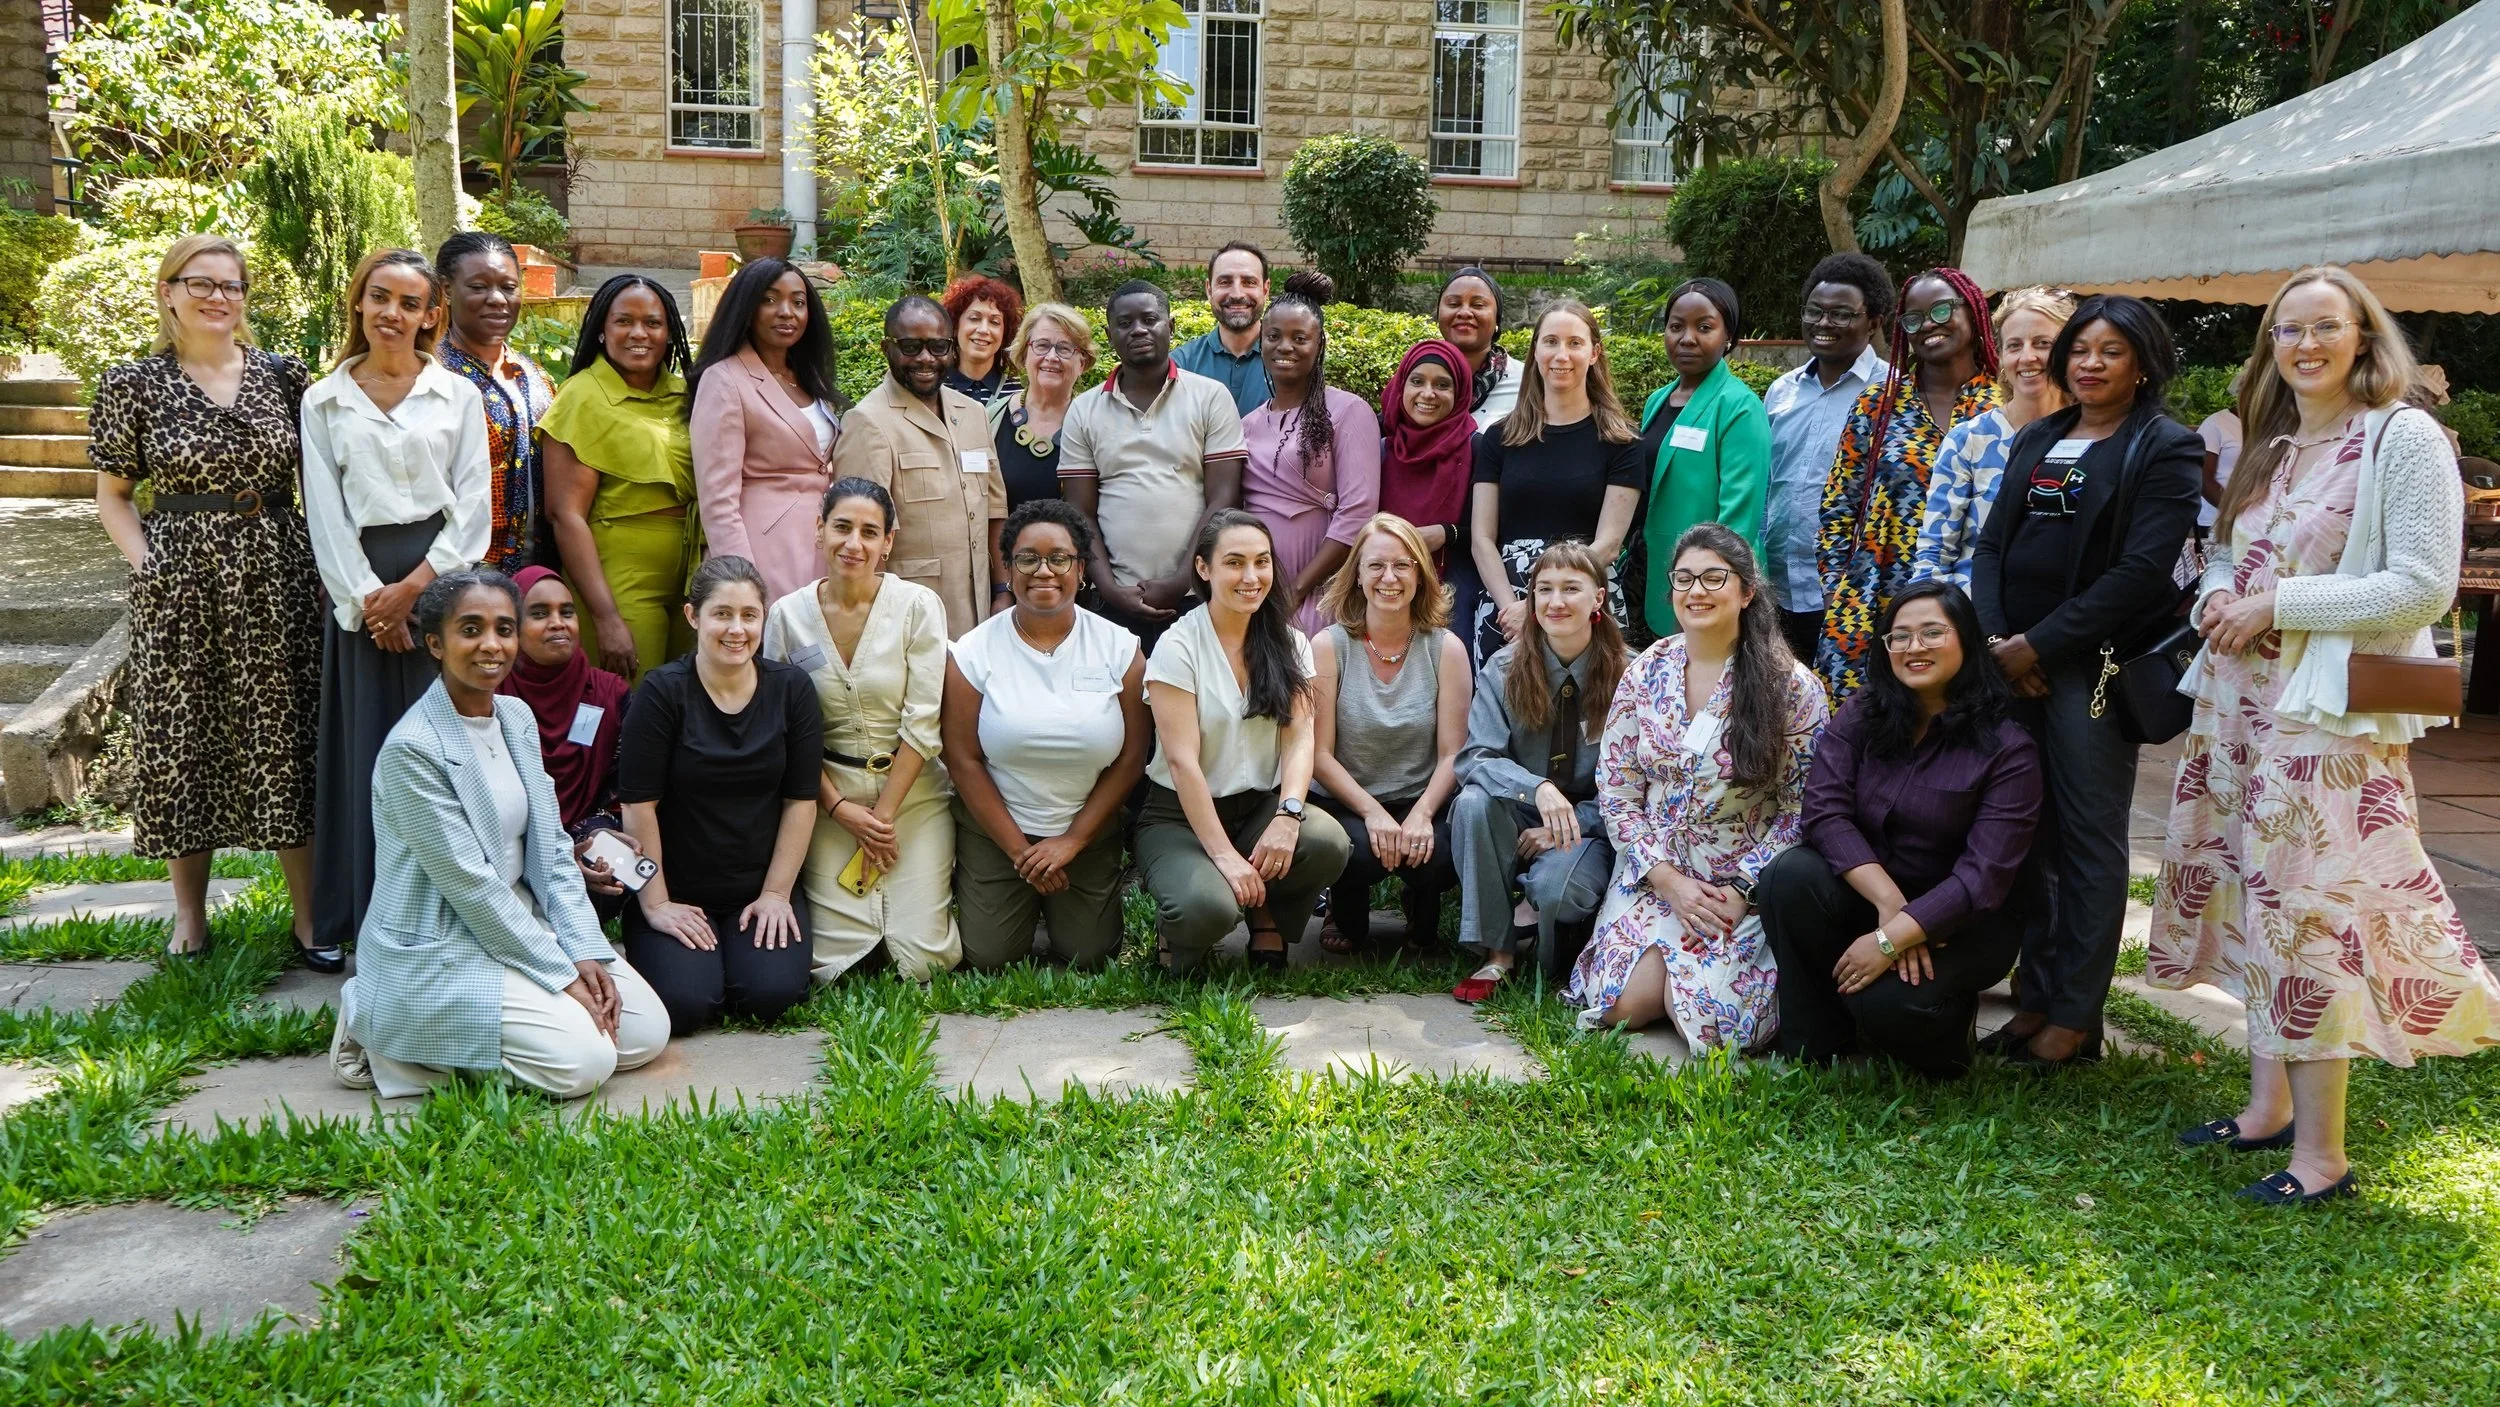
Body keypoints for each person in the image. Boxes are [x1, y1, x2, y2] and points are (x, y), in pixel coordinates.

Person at [2151, 266, 2500, 1205]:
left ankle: (2323, 1158)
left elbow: (2422, 584)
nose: (2304, 346)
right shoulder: (2274, 444)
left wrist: (2276, 601)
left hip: (2327, 712)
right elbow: (2226, 547)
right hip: (2239, 703)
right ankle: (2266, 1108)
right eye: (2286, 330)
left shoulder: (2402, 436)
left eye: (2325, 328)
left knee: (2310, 914)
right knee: (2257, 898)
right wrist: (2223, 589)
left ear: (2363, 336)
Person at [1970, 294, 2203, 1068]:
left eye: (2111, 351)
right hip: (2016, 668)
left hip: (2092, 672)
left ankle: (2076, 1016)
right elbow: (1993, 546)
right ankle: (2035, 998)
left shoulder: (2167, 446)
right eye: (2081, 350)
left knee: (2089, 842)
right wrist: (2003, 642)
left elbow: (2142, 572)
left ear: (2144, 363)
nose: (2091, 363)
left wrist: (2039, 646)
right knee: (2028, 837)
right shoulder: (2039, 435)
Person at [330, 569, 668, 1100]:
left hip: (523, 918)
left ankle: (474, 1030)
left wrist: (582, 948)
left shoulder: (515, 717)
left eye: (504, 628)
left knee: (647, 1033)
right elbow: (472, 889)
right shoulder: (412, 750)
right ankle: (386, 1034)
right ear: (436, 643)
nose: (492, 645)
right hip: (448, 940)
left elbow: (554, 850)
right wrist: (562, 973)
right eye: (471, 629)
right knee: (586, 1063)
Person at [88, 234, 324, 964]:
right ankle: (189, 915)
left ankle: (309, 916)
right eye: (202, 283)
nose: (219, 296)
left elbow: (320, 481)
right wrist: (151, 564)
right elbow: (115, 498)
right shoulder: (132, 383)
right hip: (180, 580)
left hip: (278, 573)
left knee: (283, 737)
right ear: (168, 291)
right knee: (181, 739)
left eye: (232, 285)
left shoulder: (286, 376)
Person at [1757, 580, 2040, 1078]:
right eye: (1900, 636)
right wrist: (1890, 907)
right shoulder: (1865, 711)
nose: (1914, 648)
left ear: (1967, 641)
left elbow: (1982, 878)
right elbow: (1824, 810)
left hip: (1963, 922)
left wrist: (1894, 940)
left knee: (1892, 1007)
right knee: (1790, 875)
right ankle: (1814, 1043)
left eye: (1932, 633)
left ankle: (1945, 1026)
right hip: (1876, 895)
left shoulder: (2008, 748)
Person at [1565, 525, 1827, 1049]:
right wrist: (1666, 879)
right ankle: (1660, 961)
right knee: (1619, 1006)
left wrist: (1741, 891)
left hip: (1732, 886)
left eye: (1714, 578)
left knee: (1713, 1026)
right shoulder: (1646, 671)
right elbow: (1617, 791)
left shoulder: (1792, 687)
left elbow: (1803, 810)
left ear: (1747, 591)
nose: (1696, 591)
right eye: (1684, 579)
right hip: (1653, 874)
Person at [301, 248, 489, 961]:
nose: (393, 314)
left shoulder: (456, 397)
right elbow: (324, 512)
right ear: (358, 302)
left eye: (410, 303)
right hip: (361, 593)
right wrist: (368, 603)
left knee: (443, 758)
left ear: (431, 316)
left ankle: (450, 915)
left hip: (438, 590)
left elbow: (473, 508)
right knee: (368, 755)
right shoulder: (324, 399)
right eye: (381, 297)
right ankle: (358, 916)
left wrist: (414, 592)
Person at [1135, 510, 1352, 972]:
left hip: (1257, 807)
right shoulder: (1178, 646)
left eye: (1262, 561)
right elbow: (1181, 764)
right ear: (1203, 568)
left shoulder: (1290, 642)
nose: (1251, 577)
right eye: (1234, 562)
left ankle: (1266, 910)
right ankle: (1184, 920)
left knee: (1327, 841)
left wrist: (1288, 815)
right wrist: (1223, 856)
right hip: (1181, 816)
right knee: (1206, 910)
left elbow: (1299, 741)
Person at [764, 481, 961, 982]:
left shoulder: (919, 606)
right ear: (819, 530)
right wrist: (840, 810)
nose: (855, 544)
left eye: (870, 532)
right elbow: (783, 730)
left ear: (888, 542)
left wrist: (882, 819)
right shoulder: (786, 616)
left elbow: (923, 722)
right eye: (842, 527)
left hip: (911, 800)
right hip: (827, 802)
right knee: (833, 961)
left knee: (923, 958)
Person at [944, 500, 1150, 970]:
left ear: (1081, 569)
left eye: (1059, 558)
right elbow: (963, 760)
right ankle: (1011, 889)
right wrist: (1020, 851)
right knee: (991, 957)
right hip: (999, 832)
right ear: (1009, 567)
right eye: (1027, 558)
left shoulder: (1120, 648)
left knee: (1090, 954)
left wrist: (1073, 841)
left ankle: (1060, 899)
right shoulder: (973, 652)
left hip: (1086, 829)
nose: (1044, 571)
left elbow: (1131, 758)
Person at [618, 555, 820, 1033]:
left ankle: (737, 952)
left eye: (749, 615)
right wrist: (657, 904)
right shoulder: (662, 692)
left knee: (770, 998)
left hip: (760, 887)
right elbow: (636, 805)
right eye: (722, 614)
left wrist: (776, 894)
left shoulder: (792, 690)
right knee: (686, 1005)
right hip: (677, 889)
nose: (737, 629)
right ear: (693, 616)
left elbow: (801, 801)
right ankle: (686, 953)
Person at [1815, 267, 2005, 699]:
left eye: (1941, 309)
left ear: (1974, 314)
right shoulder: (1877, 404)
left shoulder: (2004, 404)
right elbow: (1837, 507)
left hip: (1974, 606)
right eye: (1914, 319)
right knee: (1867, 733)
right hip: (1874, 601)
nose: (1929, 325)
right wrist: (1840, 590)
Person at [1448, 542, 1626, 1003]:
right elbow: (1476, 759)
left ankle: (1552, 934)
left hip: (1592, 824)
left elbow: (1643, 787)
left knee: (1557, 891)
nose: (1556, 602)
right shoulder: (1504, 668)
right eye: (1543, 589)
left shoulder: (1632, 674)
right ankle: (1498, 952)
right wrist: (1538, 789)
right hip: (1520, 814)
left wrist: (1575, 822)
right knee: (1472, 802)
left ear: (1598, 599)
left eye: (1571, 588)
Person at [1309, 514, 1470, 953]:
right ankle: (1344, 910)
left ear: (1420, 574)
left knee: (1436, 859)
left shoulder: (1446, 649)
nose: (1389, 578)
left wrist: (1420, 813)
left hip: (1421, 798)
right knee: (1358, 852)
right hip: (1345, 801)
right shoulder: (1328, 647)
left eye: (1403, 565)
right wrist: (1372, 813)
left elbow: (1454, 753)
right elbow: (1318, 755)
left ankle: (1421, 902)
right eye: (1376, 566)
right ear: (1357, 576)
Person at [1058, 280, 1248, 647]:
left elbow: (1224, 496)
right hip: (1112, 601)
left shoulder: (1210, 397)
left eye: (1150, 319)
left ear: (1170, 327)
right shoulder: (1085, 409)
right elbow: (1079, 509)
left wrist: (1183, 580)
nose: (1139, 330)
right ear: (1110, 334)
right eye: (1125, 323)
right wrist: (1110, 589)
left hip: (1199, 595)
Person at [1467, 299, 1643, 665]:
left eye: (1574, 343)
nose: (1561, 354)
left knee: (1593, 715)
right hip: (1507, 606)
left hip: (1587, 598)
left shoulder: (1622, 443)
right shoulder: (1498, 439)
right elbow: (1482, 538)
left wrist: (1545, 600)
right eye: (1550, 342)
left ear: (1594, 353)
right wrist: (1514, 608)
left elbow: (1609, 543)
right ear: (1535, 351)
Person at [540, 273, 696, 680]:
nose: (638, 333)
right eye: (624, 321)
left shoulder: (686, 395)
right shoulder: (582, 397)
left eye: (653, 323)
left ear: (670, 333)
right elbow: (565, 515)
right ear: (601, 331)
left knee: (681, 707)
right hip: (623, 583)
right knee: (633, 709)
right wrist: (606, 617)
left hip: (692, 581)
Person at [828, 294, 1008, 639]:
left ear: (952, 349)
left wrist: (1002, 590)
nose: (926, 358)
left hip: (983, 610)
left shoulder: (972, 414)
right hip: (910, 616)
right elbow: (860, 539)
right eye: (910, 346)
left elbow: (995, 510)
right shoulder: (868, 422)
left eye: (938, 346)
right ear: (887, 348)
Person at [1763, 254, 1893, 660]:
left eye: (1841, 315)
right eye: (1815, 311)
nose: (1823, 324)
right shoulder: (1781, 391)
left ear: (1873, 321)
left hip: (1851, 590)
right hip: (1777, 586)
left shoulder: (1893, 393)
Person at [1630, 277, 1774, 639]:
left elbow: (1739, 517)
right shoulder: (1658, 400)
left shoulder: (1739, 405)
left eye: (1704, 327)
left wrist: (1709, 582)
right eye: (1676, 326)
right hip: (1651, 573)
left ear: (1729, 337)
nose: (1687, 338)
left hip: (1707, 586)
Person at [688, 256, 838, 602]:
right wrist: (743, 586)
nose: (787, 311)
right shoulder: (724, 379)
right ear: (746, 308)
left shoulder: (807, 378)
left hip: (820, 547)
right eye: (769, 300)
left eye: (798, 302)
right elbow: (718, 501)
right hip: (764, 550)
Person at [1242, 271, 1381, 633]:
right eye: (1273, 336)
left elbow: (1358, 512)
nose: (1284, 347)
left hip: (1321, 591)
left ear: (1319, 345)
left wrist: (1297, 590)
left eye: (1299, 338)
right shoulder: (1247, 424)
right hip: (1256, 591)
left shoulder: (1348, 411)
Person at [1913, 286, 2078, 591]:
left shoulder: (2093, 436)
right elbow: (1934, 555)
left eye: (2043, 343)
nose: (2028, 357)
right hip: (1975, 616)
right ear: (2000, 355)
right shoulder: (1968, 441)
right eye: (2014, 346)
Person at [497, 568, 635, 917]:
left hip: (582, 834)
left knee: (608, 856)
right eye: (539, 613)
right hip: (507, 848)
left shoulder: (609, 694)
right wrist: (553, 856)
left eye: (567, 612)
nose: (558, 623)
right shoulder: (489, 695)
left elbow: (623, 790)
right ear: (510, 626)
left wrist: (596, 836)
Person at [434, 232, 554, 572]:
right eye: (478, 287)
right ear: (445, 291)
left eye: (508, 287)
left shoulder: (535, 378)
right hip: (453, 575)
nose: (498, 299)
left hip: (535, 578)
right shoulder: (428, 376)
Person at [1376, 338, 1478, 576]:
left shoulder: (1477, 449)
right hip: (1383, 585)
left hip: (1451, 594)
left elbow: (1492, 533)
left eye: (1442, 385)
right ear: (1402, 386)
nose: (1428, 393)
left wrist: (1446, 534)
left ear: (1460, 393)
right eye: (1417, 381)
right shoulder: (1379, 446)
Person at [986, 302, 1094, 511]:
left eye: (1064, 348)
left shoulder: (1095, 424)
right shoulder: (989, 419)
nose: (1051, 357)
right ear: (1024, 354)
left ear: (1082, 363)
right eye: (1042, 345)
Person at [1173, 241, 1271, 414]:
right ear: (1209, 290)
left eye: (1249, 282)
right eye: (1225, 282)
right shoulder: (1181, 365)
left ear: (1265, 289)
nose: (1237, 294)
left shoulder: (1290, 361)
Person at [1435, 266, 1522, 429]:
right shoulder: (1416, 377)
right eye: (1453, 304)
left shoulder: (1527, 384)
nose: (1464, 312)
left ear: (1497, 319)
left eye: (1478, 305)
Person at [939, 274, 1024, 403]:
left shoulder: (1019, 394)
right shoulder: (935, 389)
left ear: (1005, 333)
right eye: (974, 318)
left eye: (994, 322)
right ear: (955, 326)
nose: (984, 330)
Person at [2197, 371, 2247, 535]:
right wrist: (2234, 513)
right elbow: (2203, 479)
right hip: (2217, 521)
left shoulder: (2268, 426)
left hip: (2256, 523)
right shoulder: (2216, 423)